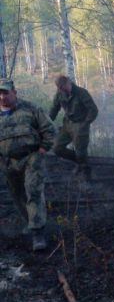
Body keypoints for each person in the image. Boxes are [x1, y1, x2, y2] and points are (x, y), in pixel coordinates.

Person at [0, 78, 56, 251]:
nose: (2, 97)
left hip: (32, 157)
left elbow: (49, 129)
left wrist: (42, 149)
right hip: (8, 161)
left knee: (33, 191)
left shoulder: (31, 109)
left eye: (5, 92)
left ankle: (38, 233)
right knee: (17, 194)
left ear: (14, 92)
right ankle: (30, 222)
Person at [49, 75, 98, 179]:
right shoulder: (59, 94)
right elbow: (54, 110)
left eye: (63, 87)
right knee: (57, 148)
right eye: (59, 88)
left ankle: (86, 175)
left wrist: (86, 123)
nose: (61, 90)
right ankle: (80, 163)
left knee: (81, 151)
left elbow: (93, 110)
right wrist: (46, 123)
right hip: (67, 124)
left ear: (68, 83)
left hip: (81, 123)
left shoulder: (81, 93)